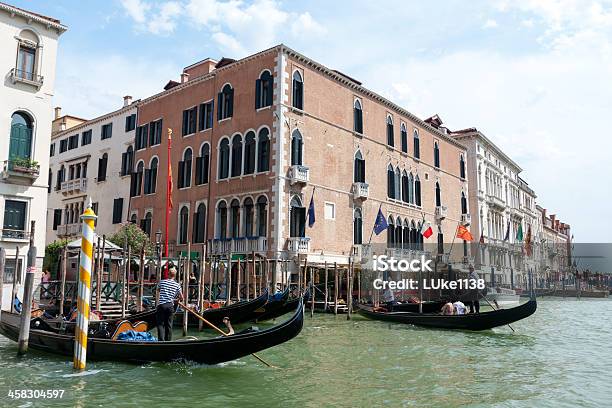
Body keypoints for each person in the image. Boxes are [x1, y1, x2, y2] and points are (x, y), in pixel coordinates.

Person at [156, 267, 184, 341]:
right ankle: (168, 341)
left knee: (160, 324)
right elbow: (181, 298)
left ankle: (161, 341)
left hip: (161, 305)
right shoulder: (177, 285)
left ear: (168, 274)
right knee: (169, 325)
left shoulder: (162, 282)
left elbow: (158, 291)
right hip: (170, 306)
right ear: (175, 275)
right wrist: (176, 300)